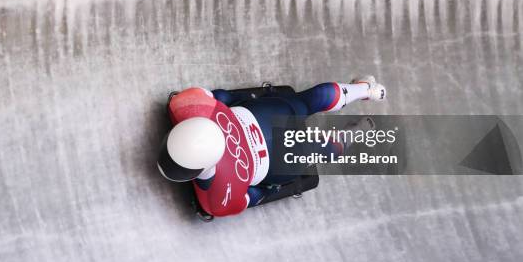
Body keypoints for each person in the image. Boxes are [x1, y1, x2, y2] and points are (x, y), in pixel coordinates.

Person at [157, 76, 386, 217]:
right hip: (263, 115)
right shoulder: (185, 105)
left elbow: (254, 196)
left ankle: (350, 136)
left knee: (319, 151)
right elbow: (218, 96)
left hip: (275, 162)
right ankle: (367, 89)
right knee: (309, 100)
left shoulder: (220, 198)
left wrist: (270, 188)